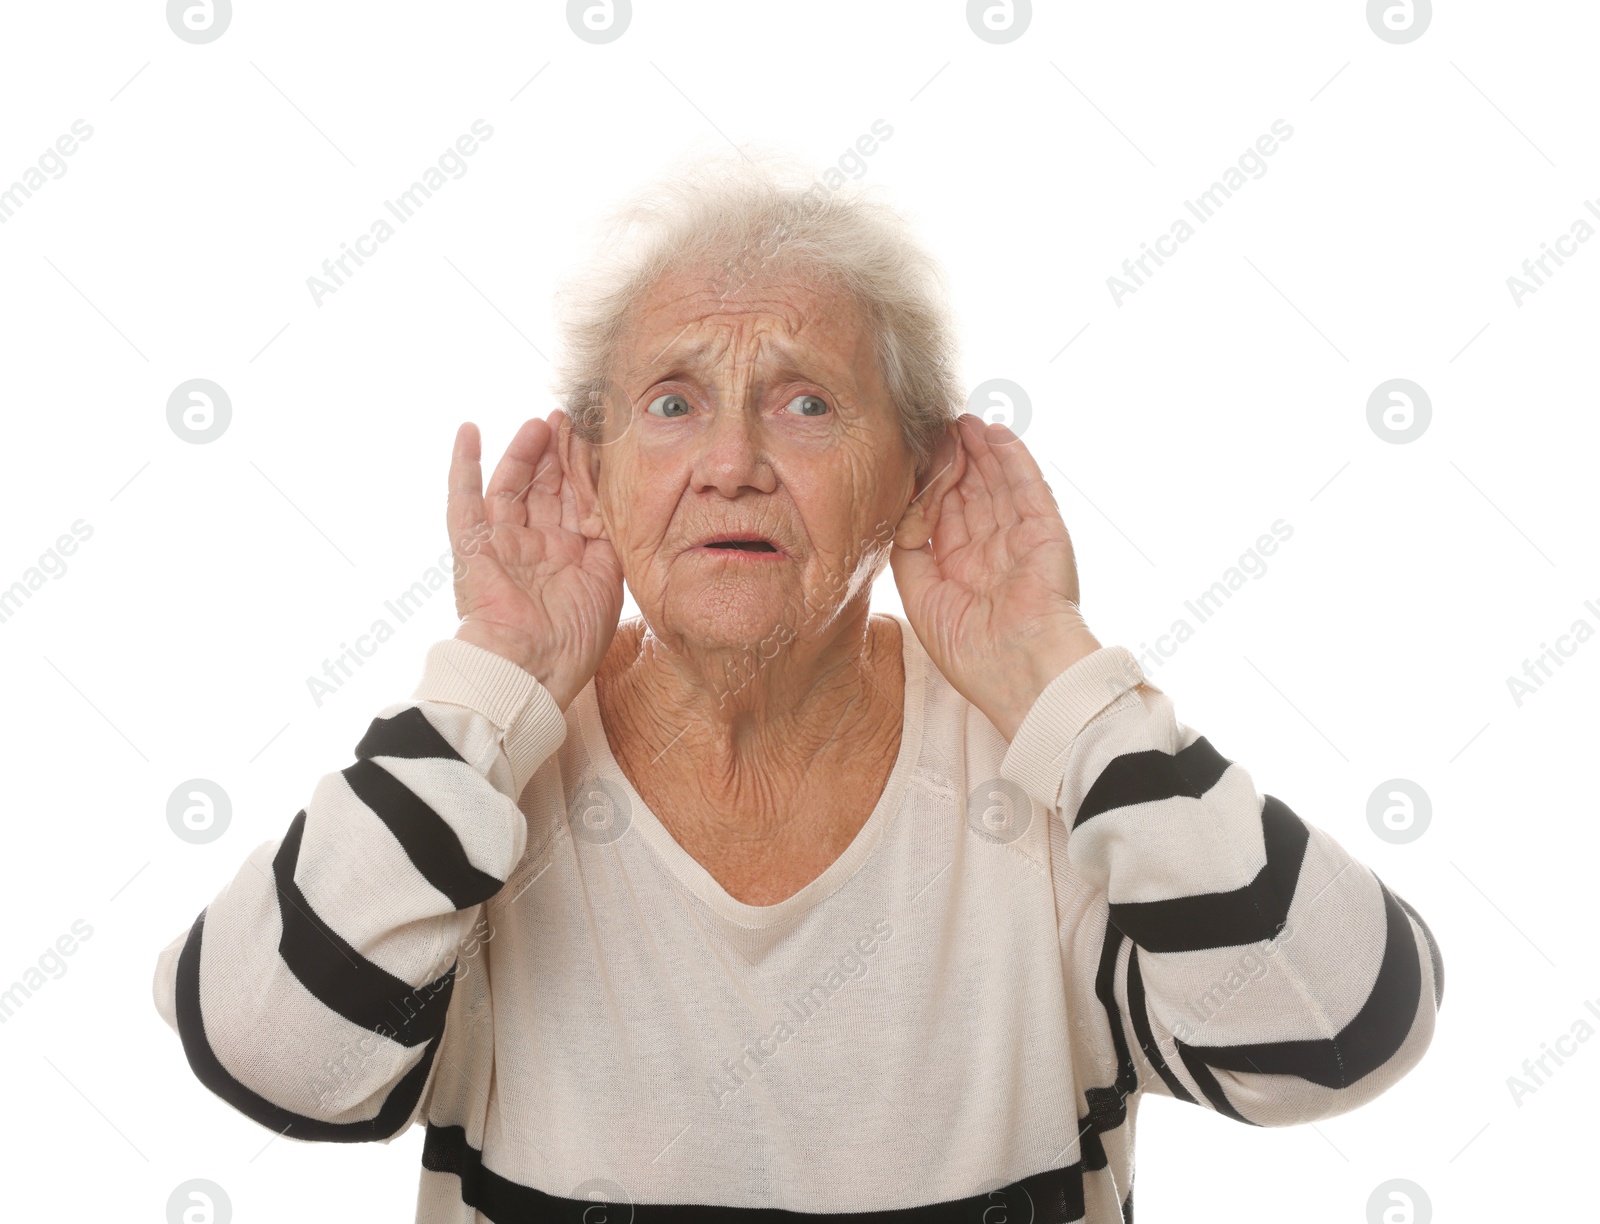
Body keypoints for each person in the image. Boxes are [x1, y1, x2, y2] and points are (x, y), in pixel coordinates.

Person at [152, 153, 1444, 1222]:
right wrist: (492, 682)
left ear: (916, 475)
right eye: (671, 402)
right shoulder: (479, 791)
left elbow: (1337, 1040)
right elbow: (270, 1063)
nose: (730, 462)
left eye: (808, 404)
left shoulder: (1045, 781)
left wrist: (1059, 675)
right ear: (592, 472)